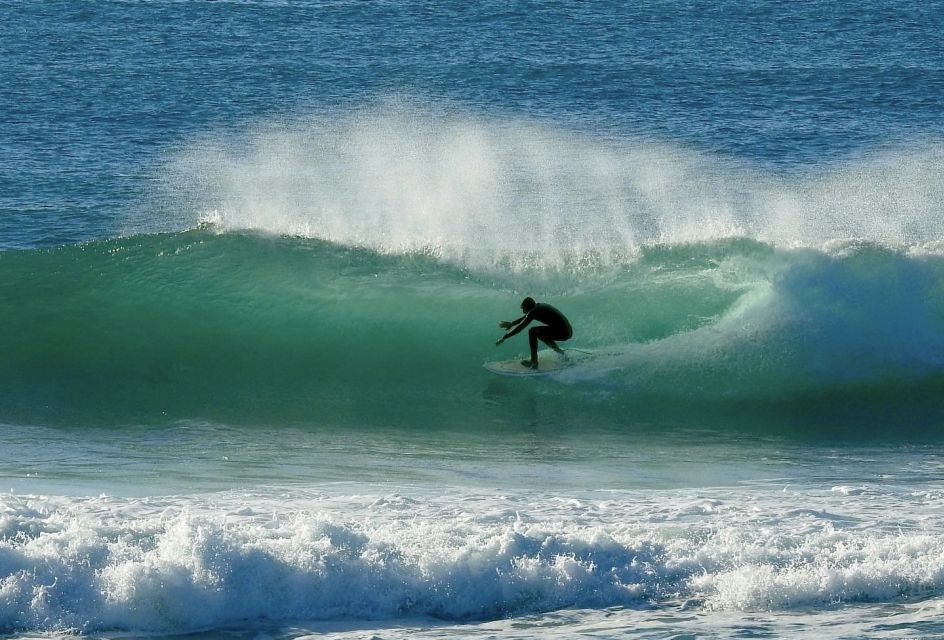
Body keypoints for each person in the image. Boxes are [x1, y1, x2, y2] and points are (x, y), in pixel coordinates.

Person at [495, 297, 573, 369]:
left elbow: (520, 328)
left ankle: (534, 362)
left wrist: (504, 338)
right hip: (567, 331)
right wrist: (512, 323)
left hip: (563, 332)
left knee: (532, 331)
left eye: (523, 309)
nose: (523, 311)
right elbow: (525, 318)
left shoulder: (534, 311)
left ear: (528, 308)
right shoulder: (537, 307)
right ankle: (561, 354)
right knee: (541, 335)